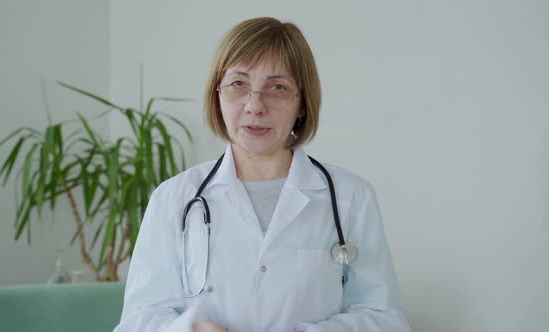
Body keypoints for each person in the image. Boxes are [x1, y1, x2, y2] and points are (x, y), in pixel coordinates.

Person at [114, 17, 411, 332]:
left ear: (302, 103)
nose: (255, 105)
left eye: (278, 87)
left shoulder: (351, 197)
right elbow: (137, 321)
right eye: (239, 84)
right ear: (217, 94)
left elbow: (385, 319)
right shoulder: (173, 198)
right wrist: (191, 330)